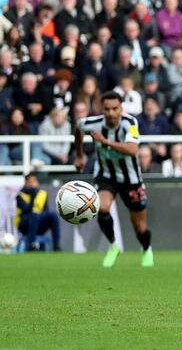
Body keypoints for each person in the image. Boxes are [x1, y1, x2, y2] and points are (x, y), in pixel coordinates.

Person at [74, 91, 154, 268]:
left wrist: (104, 141)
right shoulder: (93, 123)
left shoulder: (130, 123)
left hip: (130, 179)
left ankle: (146, 249)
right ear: (102, 109)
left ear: (121, 109)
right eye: (107, 109)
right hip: (106, 175)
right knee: (101, 207)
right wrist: (79, 155)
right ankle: (113, 245)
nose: (110, 113)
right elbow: (78, 128)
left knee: (140, 227)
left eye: (114, 109)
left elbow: (133, 150)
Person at [15, 173, 61, 251]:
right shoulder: (20, 195)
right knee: (33, 215)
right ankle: (31, 244)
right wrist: (33, 196)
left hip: (39, 224)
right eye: (31, 181)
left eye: (34, 181)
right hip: (24, 225)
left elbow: (46, 211)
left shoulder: (42, 194)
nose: (33, 183)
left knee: (53, 215)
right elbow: (27, 210)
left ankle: (56, 245)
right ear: (26, 183)